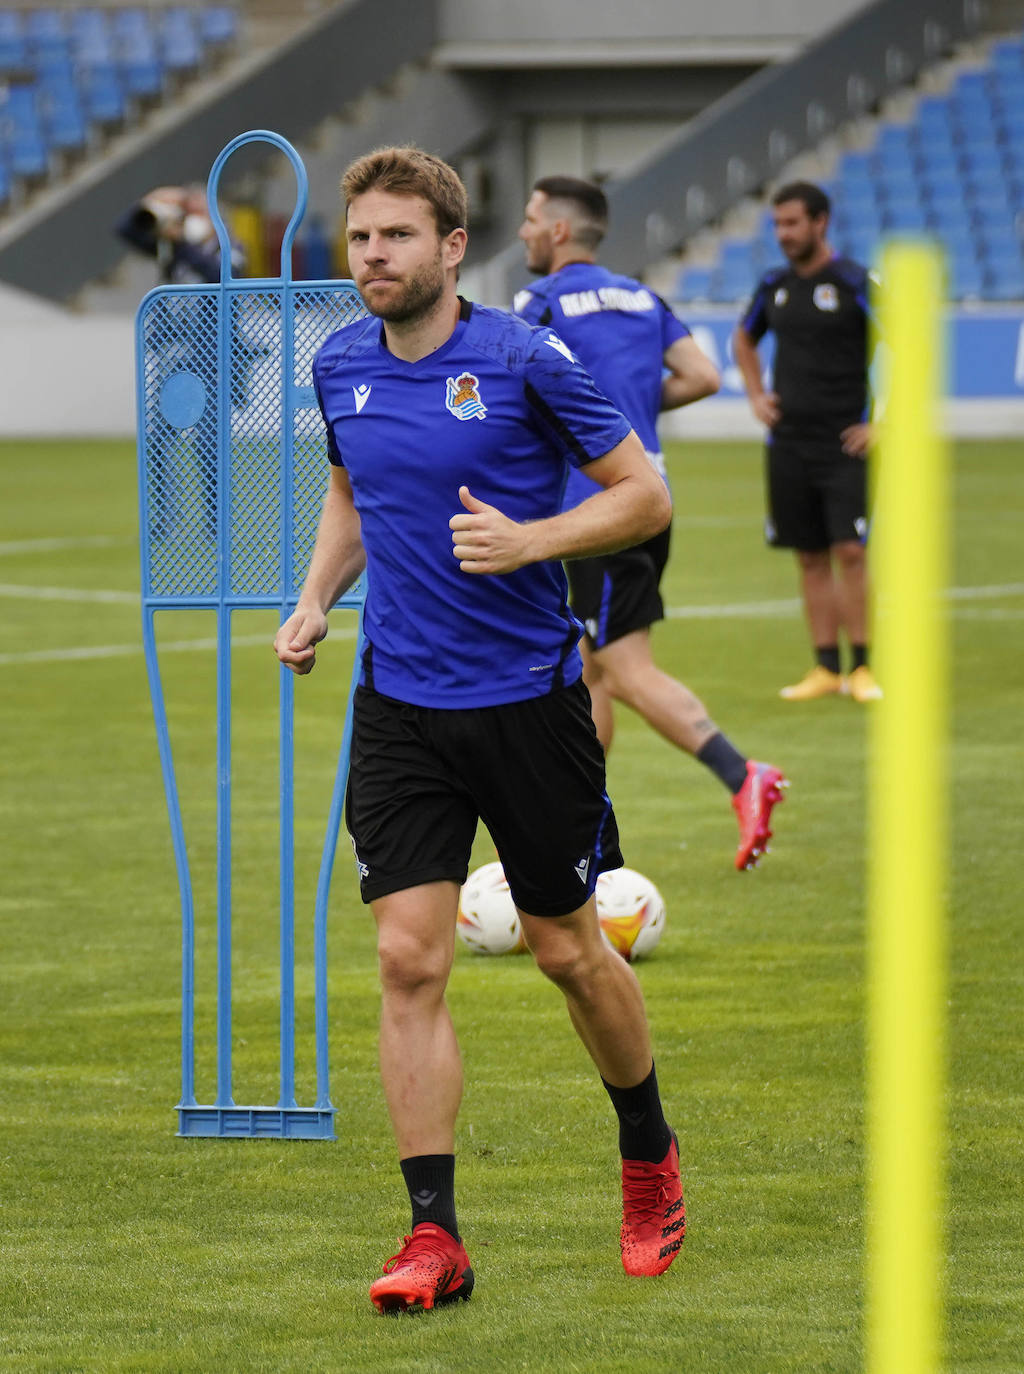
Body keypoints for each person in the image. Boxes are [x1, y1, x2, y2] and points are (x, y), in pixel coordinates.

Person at [274, 147, 685, 1314]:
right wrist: (316, 597)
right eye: (361, 236)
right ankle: (433, 1237)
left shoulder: (522, 357)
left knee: (567, 952)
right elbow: (353, 494)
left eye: (396, 236)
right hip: (400, 707)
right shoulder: (338, 364)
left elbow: (643, 494)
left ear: (452, 248)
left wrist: (531, 541)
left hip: (527, 703)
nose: (372, 256)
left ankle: (647, 1152)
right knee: (407, 959)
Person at [515, 176, 787, 871]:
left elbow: (513, 385)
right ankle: (581, 833)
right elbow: (702, 376)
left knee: (626, 669)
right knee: (587, 673)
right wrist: (628, 407)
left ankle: (742, 774)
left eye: (531, 219)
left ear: (559, 231)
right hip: (649, 496)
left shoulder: (540, 301)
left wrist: (588, 421)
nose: (522, 231)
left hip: (594, 510)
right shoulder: (642, 296)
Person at [732, 180, 882, 704]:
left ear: (821, 222)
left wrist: (884, 423)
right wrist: (756, 394)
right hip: (788, 444)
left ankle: (862, 667)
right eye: (778, 224)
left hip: (845, 444)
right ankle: (825, 667)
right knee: (810, 556)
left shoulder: (854, 281)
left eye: (793, 223)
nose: (784, 233)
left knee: (850, 551)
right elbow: (744, 337)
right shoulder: (774, 285)